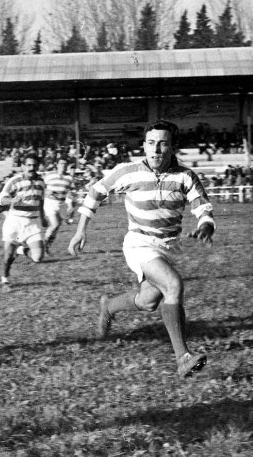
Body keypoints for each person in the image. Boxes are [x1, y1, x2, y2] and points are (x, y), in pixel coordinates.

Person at [68, 119, 214, 378]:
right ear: (144, 146)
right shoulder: (128, 171)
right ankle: (183, 358)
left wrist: (206, 226)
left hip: (168, 246)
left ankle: (109, 306)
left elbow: (202, 207)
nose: (156, 149)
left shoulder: (185, 176)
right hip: (139, 243)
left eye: (163, 144)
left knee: (148, 302)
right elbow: (96, 192)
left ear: (172, 147)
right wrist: (81, 230)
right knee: (173, 285)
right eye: (151, 143)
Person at [0, 152, 47, 287]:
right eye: (28, 165)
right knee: (8, 256)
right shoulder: (15, 181)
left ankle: (21, 250)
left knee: (38, 257)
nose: (31, 168)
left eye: (34, 165)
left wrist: (43, 218)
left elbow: (40, 201)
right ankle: (5, 278)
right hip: (15, 221)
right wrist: (12, 200)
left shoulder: (41, 182)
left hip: (33, 222)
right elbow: (1, 199)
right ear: (23, 166)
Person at [42, 158, 75, 254]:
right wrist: (46, 191)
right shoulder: (49, 175)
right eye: (61, 163)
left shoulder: (69, 178)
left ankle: (46, 247)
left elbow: (69, 193)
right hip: (49, 202)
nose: (63, 165)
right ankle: (43, 245)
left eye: (65, 164)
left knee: (56, 227)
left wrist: (70, 205)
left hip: (61, 204)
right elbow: (41, 187)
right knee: (55, 224)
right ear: (57, 164)